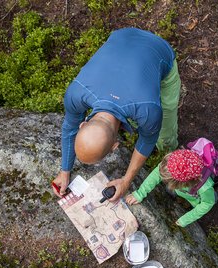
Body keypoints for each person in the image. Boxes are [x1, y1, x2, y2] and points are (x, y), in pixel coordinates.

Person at [52, 27, 181, 201]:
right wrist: (64, 171)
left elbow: (147, 141)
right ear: (82, 125)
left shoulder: (148, 110)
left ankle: (171, 154)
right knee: (144, 117)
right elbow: (69, 128)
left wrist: (126, 181)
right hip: (123, 35)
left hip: (160, 50)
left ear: (115, 145)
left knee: (165, 126)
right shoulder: (76, 93)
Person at [125, 149, 217, 227]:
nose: (163, 179)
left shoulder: (205, 187)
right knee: (170, 190)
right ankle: (178, 194)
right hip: (182, 191)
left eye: (167, 181)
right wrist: (140, 193)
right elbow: (157, 174)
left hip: (197, 199)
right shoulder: (173, 164)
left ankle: (193, 202)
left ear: (183, 183)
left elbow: (207, 203)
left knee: (213, 198)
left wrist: (186, 219)